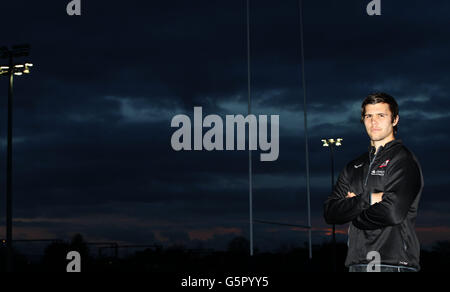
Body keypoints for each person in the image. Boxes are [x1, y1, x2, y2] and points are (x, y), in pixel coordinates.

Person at [324, 92, 424, 272]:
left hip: (393, 264)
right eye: (368, 116)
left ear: (395, 120)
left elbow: (392, 212)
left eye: (381, 115)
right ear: (362, 120)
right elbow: (331, 212)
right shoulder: (353, 166)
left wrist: (352, 211)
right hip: (357, 263)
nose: (373, 122)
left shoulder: (403, 160)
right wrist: (368, 199)